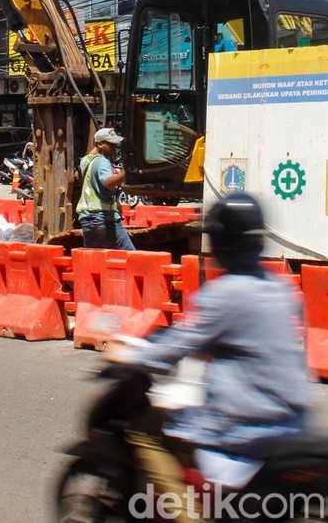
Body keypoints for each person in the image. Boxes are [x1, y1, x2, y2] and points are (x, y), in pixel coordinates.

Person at [108, 192, 312, 521]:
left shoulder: (226, 294)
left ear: (221, 241)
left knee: (144, 433)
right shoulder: (279, 287)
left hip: (243, 429)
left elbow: (178, 345)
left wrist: (131, 354)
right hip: (290, 423)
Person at [76, 127, 135, 250]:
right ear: (100, 144)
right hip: (104, 220)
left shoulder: (86, 161)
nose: (115, 147)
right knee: (131, 256)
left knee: (96, 260)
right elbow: (107, 182)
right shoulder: (102, 161)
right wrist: (127, 172)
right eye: (111, 144)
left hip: (87, 221)